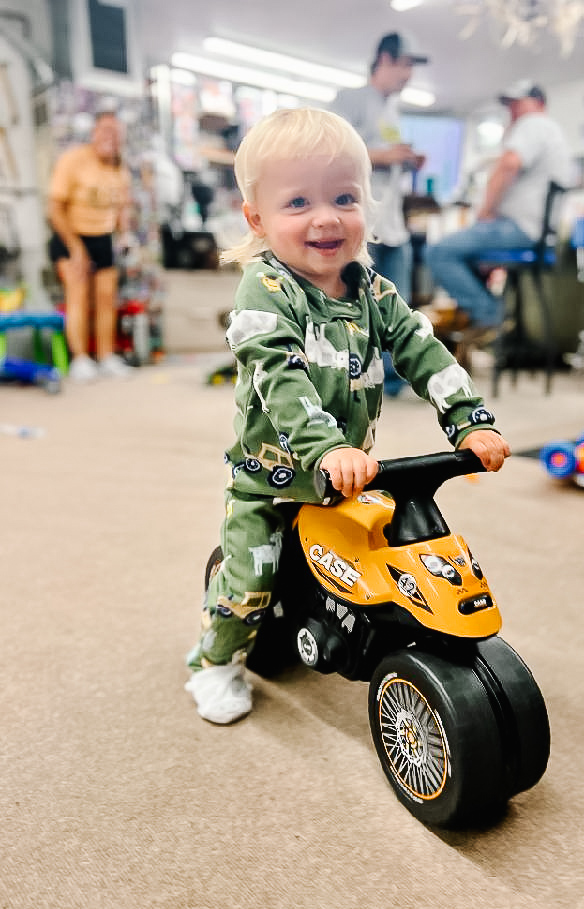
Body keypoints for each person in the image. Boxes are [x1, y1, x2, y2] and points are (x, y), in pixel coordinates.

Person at [184, 107, 511, 725]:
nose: (326, 217)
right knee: (251, 576)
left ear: (367, 203)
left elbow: (422, 348)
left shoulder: (373, 290)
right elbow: (277, 376)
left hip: (350, 478)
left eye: (343, 197)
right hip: (273, 480)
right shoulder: (265, 290)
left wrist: (469, 418)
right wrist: (325, 448)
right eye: (299, 202)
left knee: (398, 559)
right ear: (257, 219)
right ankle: (214, 662)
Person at [424, 80, 571, 338]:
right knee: (468, 258)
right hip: (534, 231)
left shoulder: (534, 124)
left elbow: (509, 164)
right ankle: (483, 323)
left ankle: (490, 316)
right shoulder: (551, 132)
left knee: (439, 252)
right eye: (509, 105)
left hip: (520, 229)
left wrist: (486, 211)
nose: (512, 110)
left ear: (538, 102)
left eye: (517, 103)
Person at [331, 32, 428, 395]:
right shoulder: (352, 99)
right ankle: (349, 377)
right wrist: (387, 155)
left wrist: (407, 159)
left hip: (393, 224)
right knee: (353, 301)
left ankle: (391, 381)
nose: (408, 76)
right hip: (361, 221)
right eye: (404, 66)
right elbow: (333, 148)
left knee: (394, 304)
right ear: (384, 60)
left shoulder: (392, 111)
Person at [48, 110, 132, 382]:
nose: (111, 137)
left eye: (116, 133)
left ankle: (107, 356)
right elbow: (55, 209)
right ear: (94, 133)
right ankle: (81, 360)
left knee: (107, 298)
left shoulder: (120, 169)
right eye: (106, 130)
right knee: (78, 297)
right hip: (70, 235)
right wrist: (76, 249)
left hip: (102, 237)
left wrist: (124, 235)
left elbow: (122, 208)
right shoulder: (73, 160)